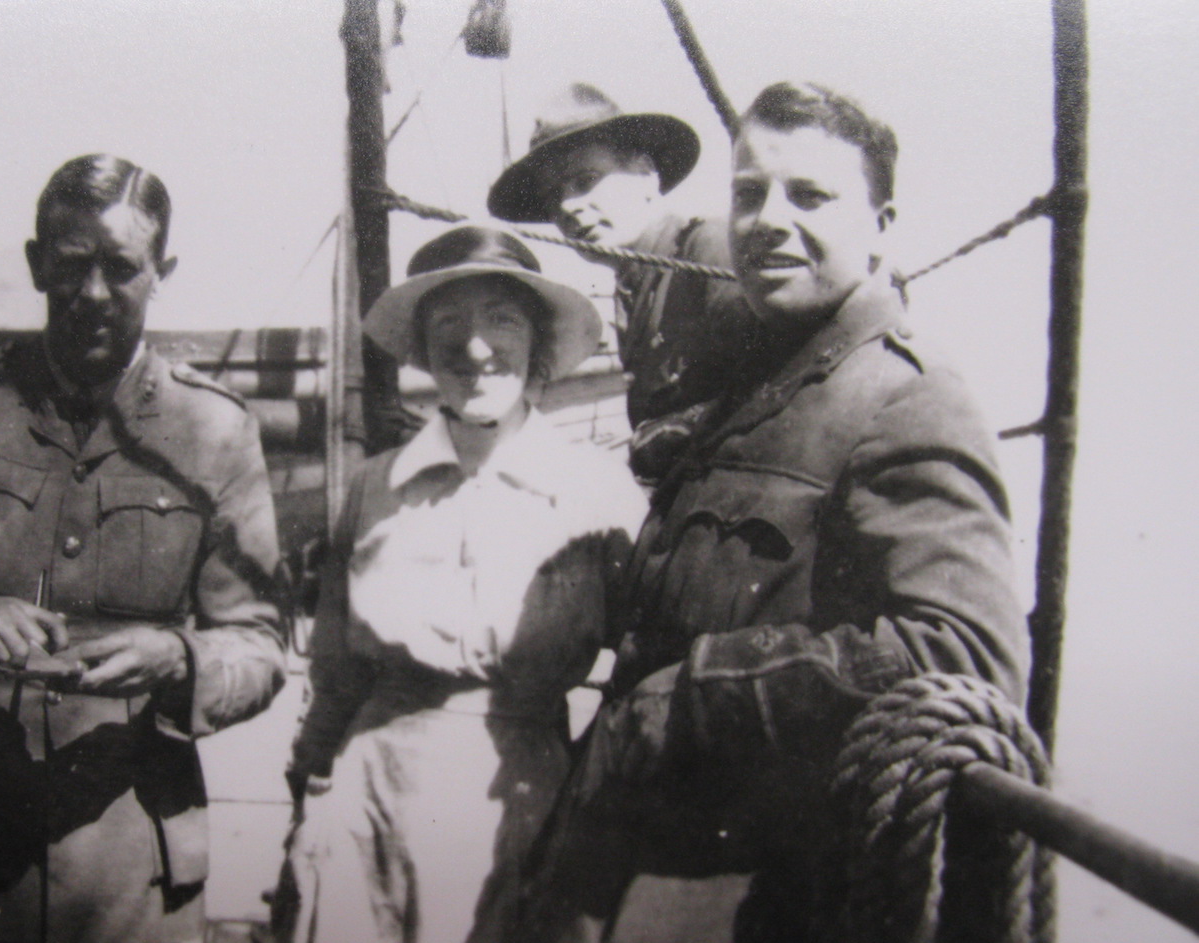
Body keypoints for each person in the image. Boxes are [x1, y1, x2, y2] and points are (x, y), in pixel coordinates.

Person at [516, 82, 1028, 942]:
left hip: (770, 889)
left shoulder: (904, 396)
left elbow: (966, 652)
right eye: (748, 193)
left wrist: (688, 694)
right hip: (652, 858)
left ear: (883, 224)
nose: (765, 221)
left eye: (811, 196)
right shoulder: (756, 378)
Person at [0, 154, 287, 943]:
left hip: (130, 872)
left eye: (121, 267)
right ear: (37, 265)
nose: (94, 293)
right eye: (71, 265)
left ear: (160, 271)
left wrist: (179, 658)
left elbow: (261, 643)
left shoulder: (215, 431)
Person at [277, 226, 649, 943]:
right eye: (449, 322)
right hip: (369, 806)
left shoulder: (599, 491)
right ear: (422, 346)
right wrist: (307, 808)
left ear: (537, 344)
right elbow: (334, 673)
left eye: (501, 319)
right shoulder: (375, 485)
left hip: (523, 806)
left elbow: (642, 669)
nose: (475, 346)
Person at [487, 83, 759, 478]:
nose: (567, 207)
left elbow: (770, 389)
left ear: (646, 174)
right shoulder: (633, 286)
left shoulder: (707, 250)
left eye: (585, 180)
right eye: (552, 196)